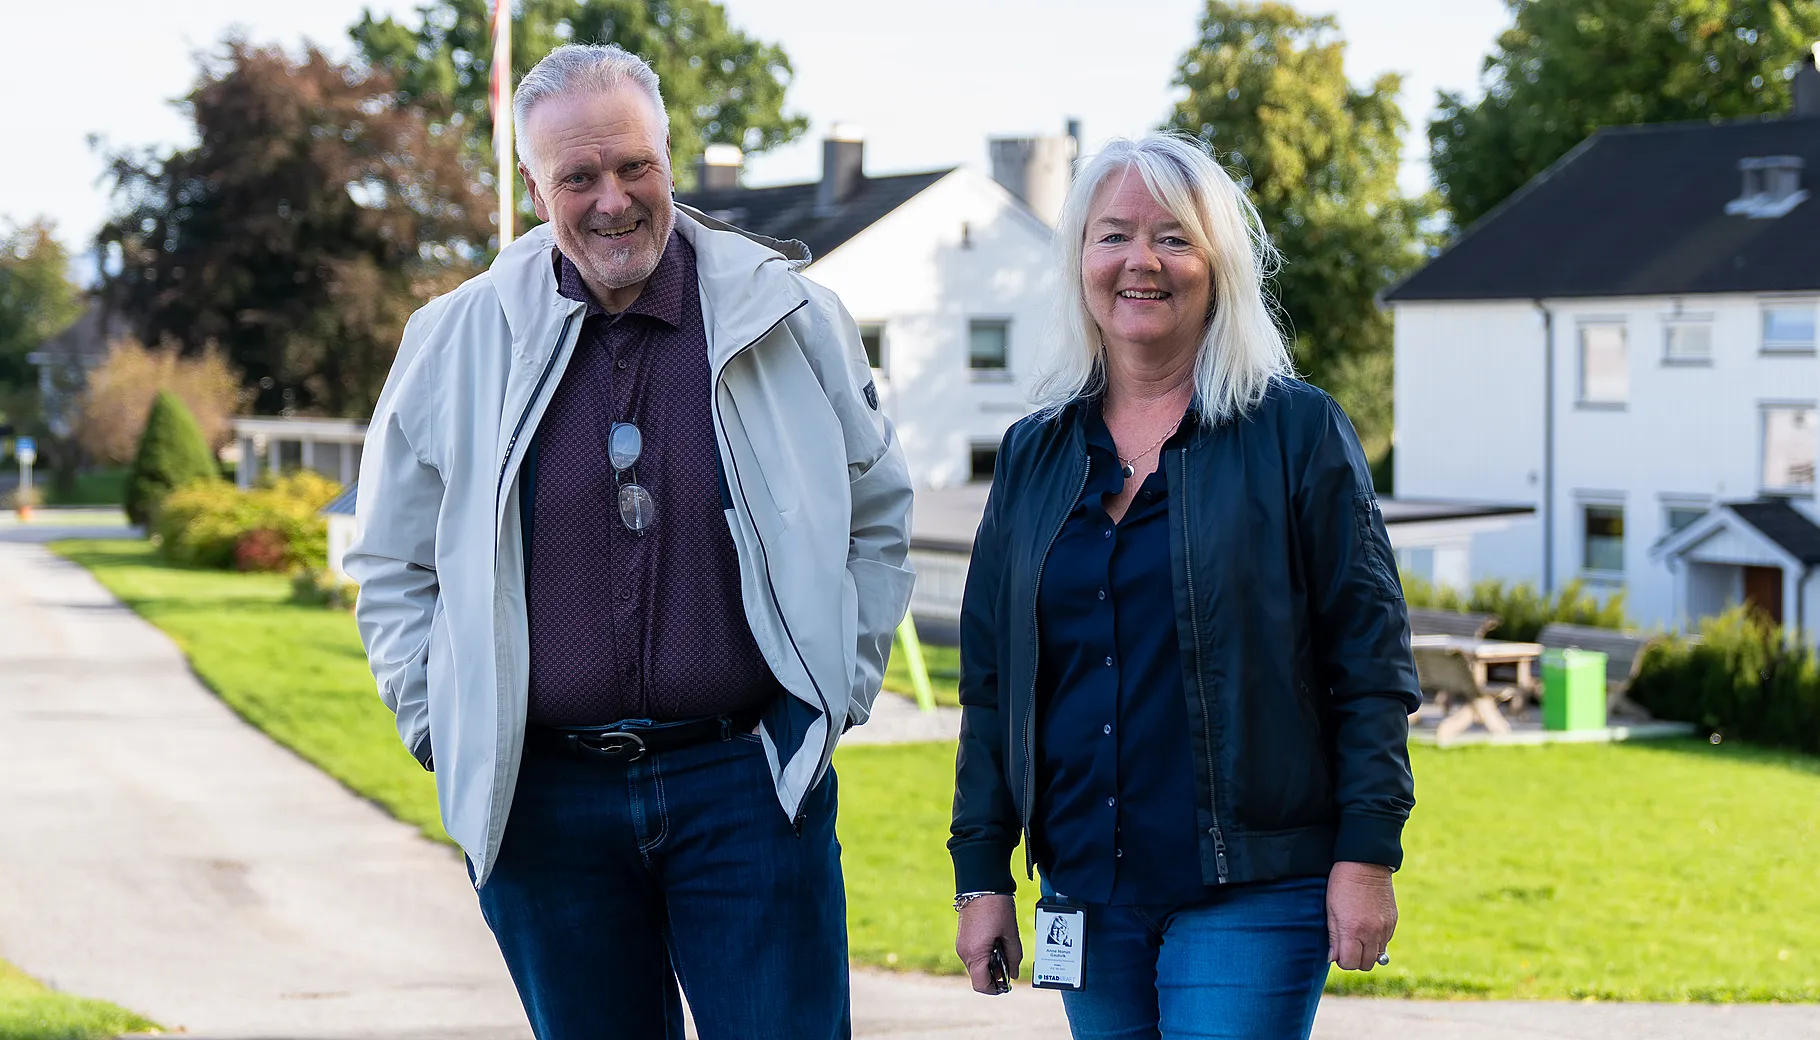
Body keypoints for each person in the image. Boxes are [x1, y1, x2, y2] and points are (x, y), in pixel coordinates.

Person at [346, 43, 914, 1040]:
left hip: (747, 784)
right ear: (533, 190)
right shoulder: (452, 341)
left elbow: (877, 510)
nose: (612, 199)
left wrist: (838, 685)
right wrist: (442, 725)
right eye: (578, 176)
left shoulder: (789, 318)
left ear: (668, 157)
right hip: (544, 805)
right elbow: (393, 565)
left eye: (633, 166)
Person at [948, 133, 1418, 1040]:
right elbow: (993, 684)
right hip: (1085, 886)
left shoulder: (1296, 433)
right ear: (1080, 260)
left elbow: (1369, 664)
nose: (1141, 261)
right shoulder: (1033, 455)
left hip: (1253, 885)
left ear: (1219, 265)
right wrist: (983, 873)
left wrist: (1367, 855)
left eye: (1173, 237)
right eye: (1113, 234)